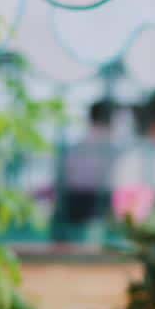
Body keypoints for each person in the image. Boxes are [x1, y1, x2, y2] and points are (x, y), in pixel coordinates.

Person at [52, 100, 119, 239]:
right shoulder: (113, 148)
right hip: (100, 206)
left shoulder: (75, 148)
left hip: (73, 205)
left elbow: (63, 180)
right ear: (110, 120)